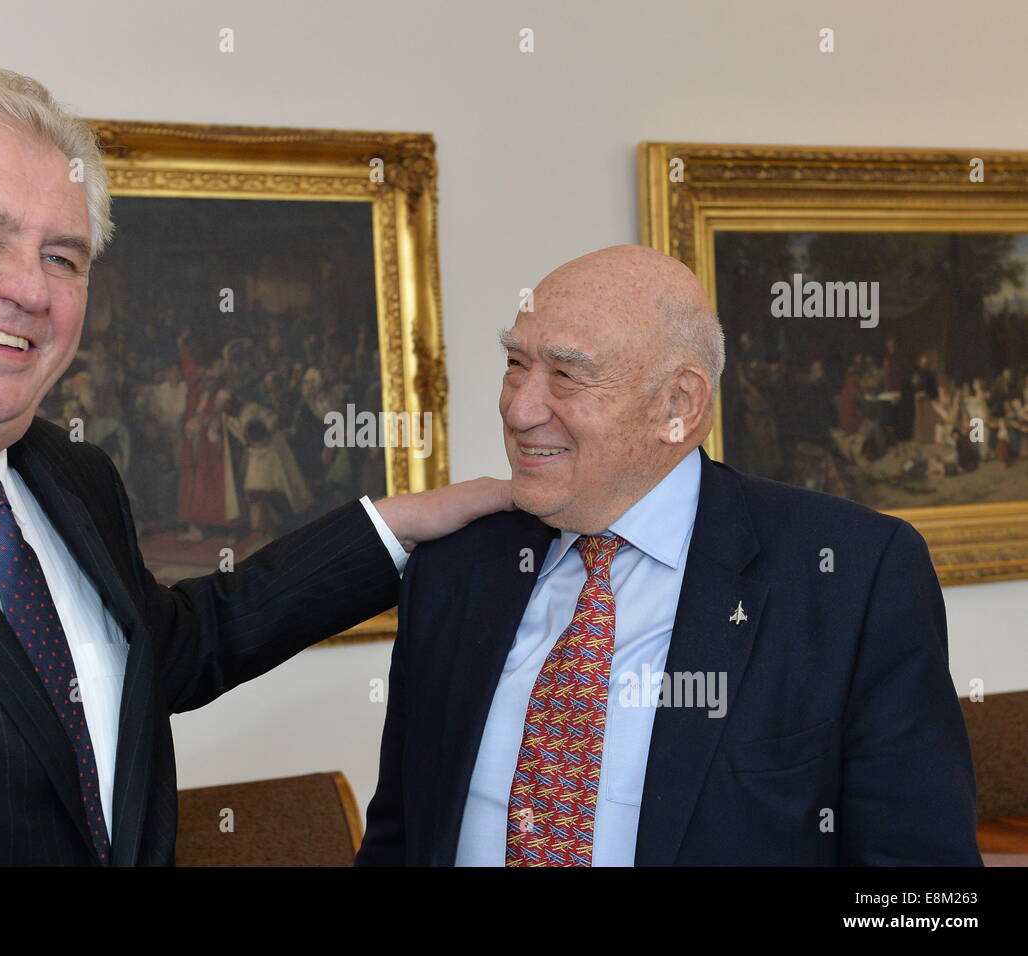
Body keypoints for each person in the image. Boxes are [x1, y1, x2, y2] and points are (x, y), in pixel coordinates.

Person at [0, 62, 510, 866]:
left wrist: (394, 528)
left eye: (63, 257)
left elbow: (170, 650)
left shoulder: (72, 475)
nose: (30, 288)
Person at [357, 245, 980, 867]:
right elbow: (397, 839)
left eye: (566, 375)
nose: (519, 409)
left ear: (678, 406)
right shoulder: (455, 568)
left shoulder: (850, 574)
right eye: (516, 364)